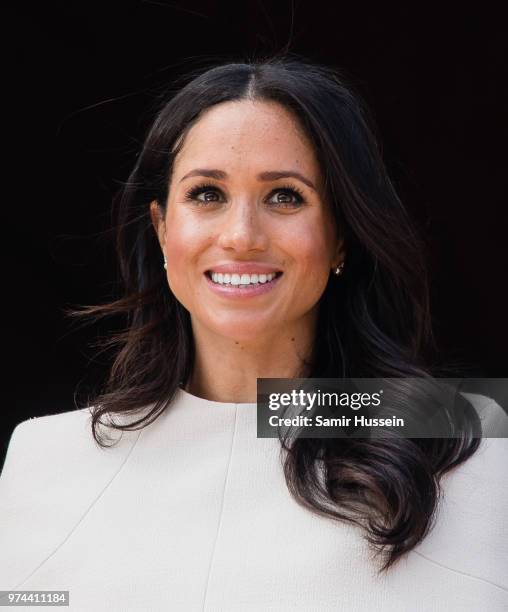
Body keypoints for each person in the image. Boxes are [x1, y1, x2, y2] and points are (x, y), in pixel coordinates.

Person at [1, 55, 507, 611]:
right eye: (207, 195)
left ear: (342, 237)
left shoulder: (467, 438)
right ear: (162, 229)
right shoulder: (44, 458)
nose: (241, 236)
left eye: (285, 196)